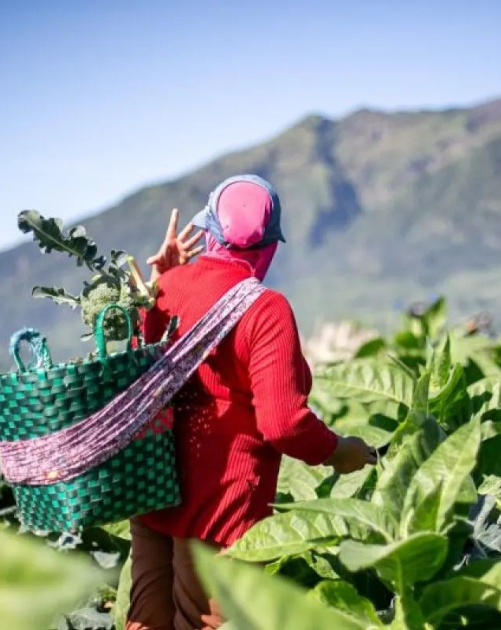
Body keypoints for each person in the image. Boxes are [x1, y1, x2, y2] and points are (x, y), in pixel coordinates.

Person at [125, 174, 377, 630]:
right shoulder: (265, 309)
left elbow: (142, 371)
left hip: (154, 489)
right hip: (221, 511)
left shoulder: (165, 288)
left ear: (208, 233)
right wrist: (340, 452)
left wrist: (165, 280)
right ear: (269, 247)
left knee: (145, 623)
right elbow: (283, 423)